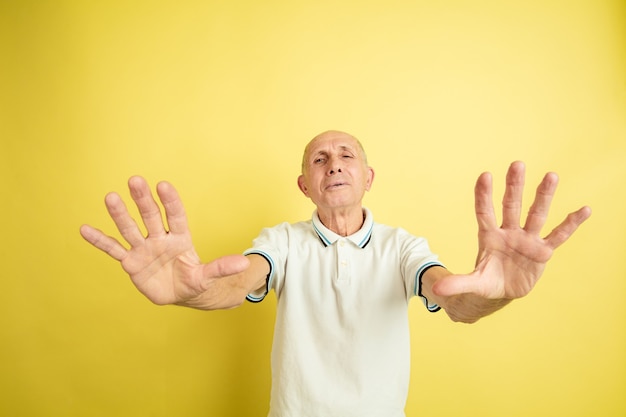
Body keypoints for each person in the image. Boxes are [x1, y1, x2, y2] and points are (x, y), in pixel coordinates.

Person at [80, 130, 591, 417]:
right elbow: (243, 279)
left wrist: (497, 294)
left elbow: (455, 298)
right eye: (320, 160)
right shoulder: (281, 241)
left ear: (368, 177)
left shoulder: (402, 247)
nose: (335, 165)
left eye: (347, 156)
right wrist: (190, 292)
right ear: (305, 184)